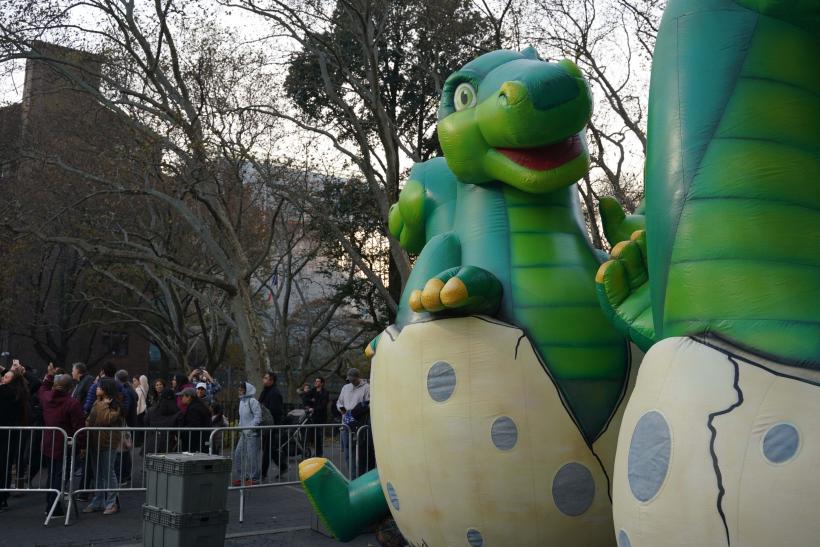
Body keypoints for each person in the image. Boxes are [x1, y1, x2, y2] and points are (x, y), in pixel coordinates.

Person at [38, 367, 85, 517]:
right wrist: (81, 445)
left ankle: (50, 504)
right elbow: (79, 427)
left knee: (53, 474)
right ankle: (54, 506)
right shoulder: (72, 403)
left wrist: (49, 375)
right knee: (60, 476)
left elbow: (42, 388)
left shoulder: (46, 397)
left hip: (49, 442)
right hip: (65, 444)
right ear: (70, 388)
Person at [84, 378, 123, 515]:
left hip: (108, 442)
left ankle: (112, 502)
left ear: (106, 389)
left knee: (108, 472)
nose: (96, 388)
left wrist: (104, 406)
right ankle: (98, 500)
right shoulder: (98, 402)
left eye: (99, 387)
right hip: (95, 441)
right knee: (98, 473)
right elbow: (90, 419)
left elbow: (105, 419)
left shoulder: (114, 405)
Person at [0, 365, 29, 512]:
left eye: (6, 377)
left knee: (3, 465)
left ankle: (2, 496)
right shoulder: (19, 392)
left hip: (5, 433)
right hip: (10, 434)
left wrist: (5, 371)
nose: (3, 378)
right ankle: (3, 497)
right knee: (5, 465)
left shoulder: (7, 392)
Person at [336, 368, 370, 467]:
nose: (352, 382)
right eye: (350, 380)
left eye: (353, 380)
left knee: (359, 451)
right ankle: (351, 475)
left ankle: (358, 475)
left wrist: (357, 412)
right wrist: (341, 409)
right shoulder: (345, 387)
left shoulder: (366, 387)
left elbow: (368, 403)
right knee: (347, 450)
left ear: (358, 377)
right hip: (346, 423)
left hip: (359, 423)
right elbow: (339, 401)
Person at [233, 381, 261, 486]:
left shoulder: (253, 401)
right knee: (238, 454)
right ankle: (243, 476)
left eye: (241, 390)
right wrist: (240, 427)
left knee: (252, 456)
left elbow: (258, 417)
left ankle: (255, 478)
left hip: (252, 434)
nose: (239, 391)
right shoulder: (242, 401)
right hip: (244, 433)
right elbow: (242, 417)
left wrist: (250, 428)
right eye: (239, 389)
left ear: (246, 390)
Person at [258, 371, 286, 478]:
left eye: (266, 378)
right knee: (270, 449)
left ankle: (263, 473)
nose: (263, 380)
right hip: (266, 425)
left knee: (267, 449)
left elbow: (274, 412)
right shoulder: (266, 391)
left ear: (271, 381)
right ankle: (282, 466)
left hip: (271, 425)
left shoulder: (275, 393)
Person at [143, 388, 179, 454]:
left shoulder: (152, 410)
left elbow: (146, 422)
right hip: (168, 446)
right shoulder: (177, 412)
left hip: (151, 444)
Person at [175, 387, 211, 452]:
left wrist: (180, 433)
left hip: (196, 444)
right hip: (201, 441)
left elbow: (193, 426)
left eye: (182, 396)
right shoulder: (199, 405)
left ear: (189, 397)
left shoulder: (193, 409)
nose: (181, 399)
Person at [303, 376, 330, 457]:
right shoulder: (312, 391)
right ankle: (312, 451)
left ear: (322, 383)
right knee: (312, 435)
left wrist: (314, 408)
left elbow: (323, 405)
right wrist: (309, 403)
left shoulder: (325, 392)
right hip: (312, 417)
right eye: (315, 381)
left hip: (320, 417)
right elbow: (305, 398)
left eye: (318, 381)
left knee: (318, 435)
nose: (316, 382)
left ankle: (319, 453)